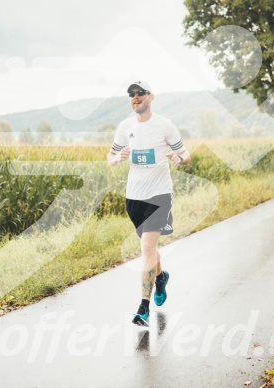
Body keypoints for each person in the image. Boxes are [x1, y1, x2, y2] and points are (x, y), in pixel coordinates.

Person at [107, 81, 191, 326]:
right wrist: (116, 159)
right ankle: (161, 276)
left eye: (140, 93)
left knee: (146, 249)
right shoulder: (125, 127)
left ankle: (143, 307)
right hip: (134, 197)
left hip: (159, 196)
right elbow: (110, 156)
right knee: (149, 248)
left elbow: (186, 154)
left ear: (151, 97)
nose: (135, 97)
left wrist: (179, 158)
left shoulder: (164, 125)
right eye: (132, 94)